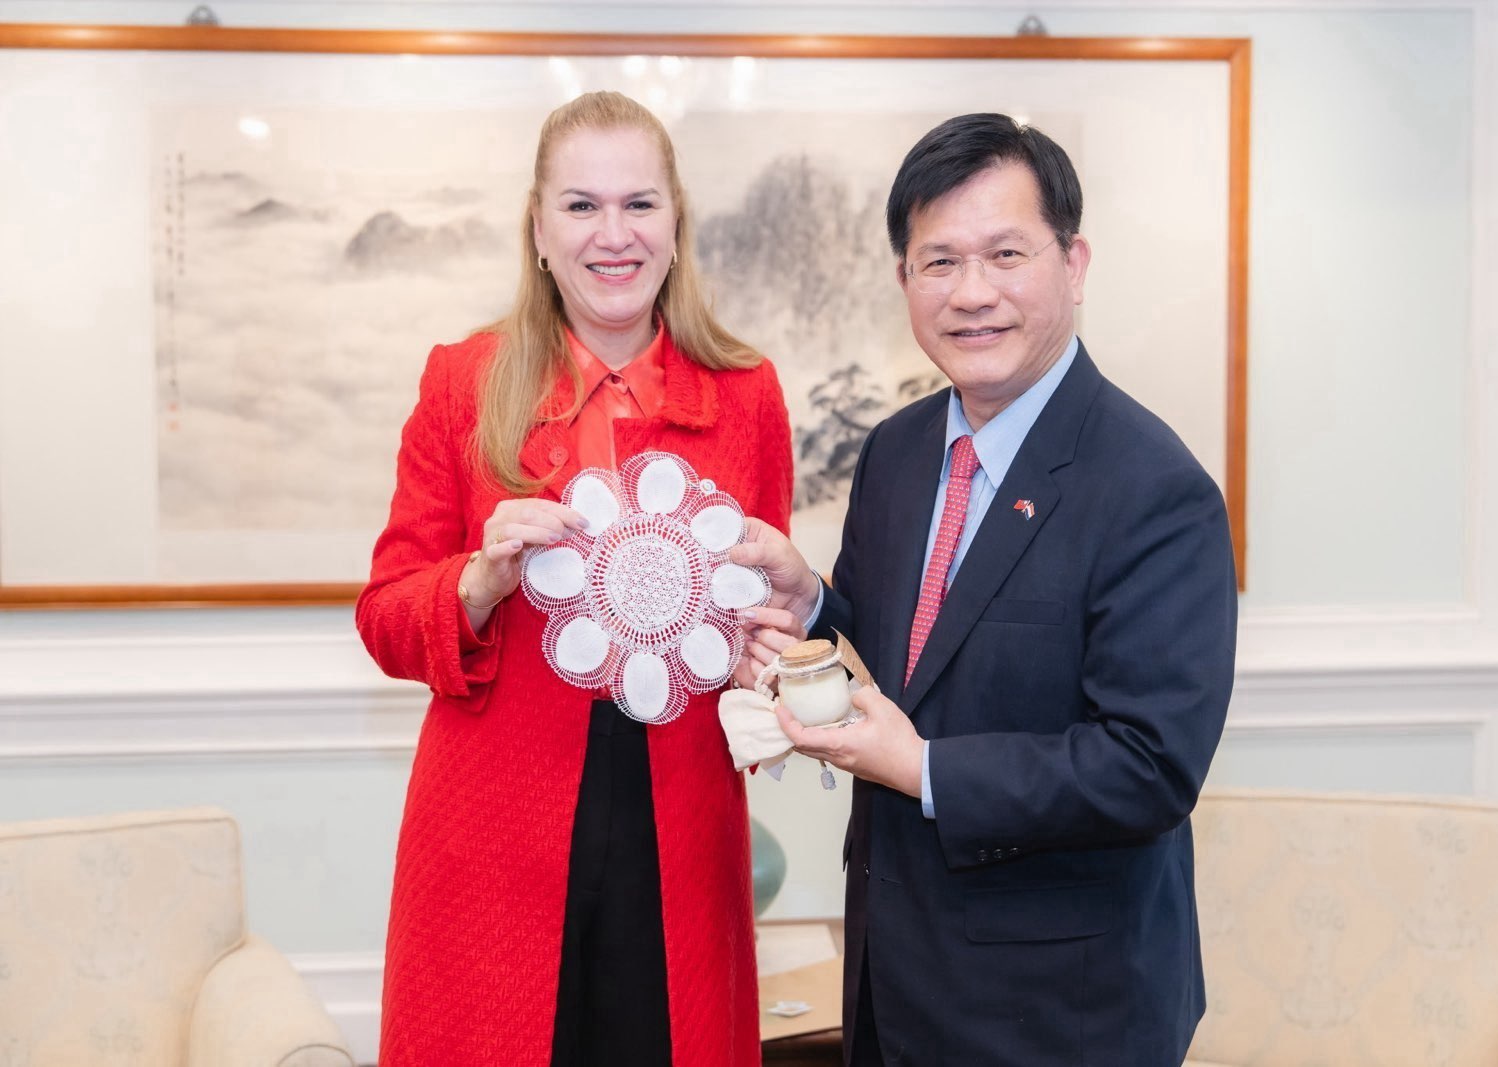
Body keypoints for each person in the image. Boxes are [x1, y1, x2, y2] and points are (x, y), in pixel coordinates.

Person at [732, 113, 1237, 1065]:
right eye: (940, 261)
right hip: (894, 979)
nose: (972, 293)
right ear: (905, 280)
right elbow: (909, 660)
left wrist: (923, 767)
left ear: (1073, 264)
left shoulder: (1154, 488)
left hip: (1064, 1011)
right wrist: (813, 609)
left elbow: (1148, 766)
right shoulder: (898, 451)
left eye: (1006, 254)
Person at [357, 90, 794, 1067]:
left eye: (639, 203)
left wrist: (773, 646)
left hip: (680, 829)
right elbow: (385, 618)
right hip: (491, 833)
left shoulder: (747, 395)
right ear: (539, 229)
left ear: (676, 222)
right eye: (582, 205)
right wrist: (479, 580)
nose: (613, 233)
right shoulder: (462, 382)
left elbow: (759, 614)